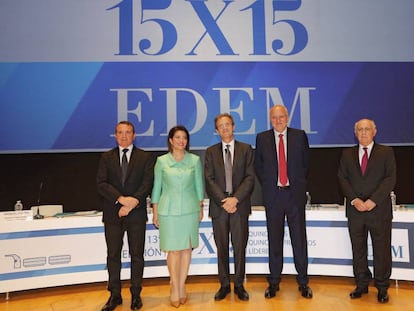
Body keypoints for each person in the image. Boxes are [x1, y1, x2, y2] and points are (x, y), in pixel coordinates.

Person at [254, 104, 313, 299]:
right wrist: (271, 185)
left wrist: (295, 183)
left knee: (299, 240)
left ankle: (303, 282)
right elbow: (259, 167)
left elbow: (306, 163)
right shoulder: (262, 138)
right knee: (274, 240)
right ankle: (274, 282)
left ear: (287, 117)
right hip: (274, 197)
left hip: (294, 196)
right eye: (274, 117)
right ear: (270, 119)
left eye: (281, 117)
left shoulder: (299, 135)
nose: (278, 120)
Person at [96, 121, 154, 311]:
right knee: (113, 255)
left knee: (137, 255)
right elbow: (101, 183)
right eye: (120, 132)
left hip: (136, 214)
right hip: (113, 214)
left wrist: (132, 203)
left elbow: (147, 183)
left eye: (128, 132)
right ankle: (115, 295)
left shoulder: (144, 157)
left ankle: (136, 295)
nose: (124, 136)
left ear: (134, 135)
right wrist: (120, 199)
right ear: (115, 135)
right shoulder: (106, 157)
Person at [338, 118, 396, 303]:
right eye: (360, 130)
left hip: (378, 210)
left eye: (367, 129)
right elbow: (342, 178)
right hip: (355, 211)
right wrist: (355, 200)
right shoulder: (347, 154)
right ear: (355, 133)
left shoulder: (386, 152)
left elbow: (390, 178)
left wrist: (373, 201)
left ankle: (382, 287)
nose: (363, 133)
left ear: (374, 131)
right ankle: (361, 284)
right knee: (359, 249)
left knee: (381, 250)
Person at [151, 125, 204, 308]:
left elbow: (199, 186)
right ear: (171, 140)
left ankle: (181, 286)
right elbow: (156, 188)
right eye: (178, 137)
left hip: (190, 210)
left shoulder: (195, 160)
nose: (181, 141)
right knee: (173, 250)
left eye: (184, 138)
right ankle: (174, 287)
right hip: (168, 211)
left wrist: (201, 206)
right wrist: (155, 211)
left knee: (187, 249)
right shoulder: (162, 161)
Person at [204, 113, 255, 301]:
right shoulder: (210, 152)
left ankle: (239, 285)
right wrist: (224, 200)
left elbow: (250, 178)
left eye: (227, 124)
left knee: (240, 246)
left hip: (239, 206)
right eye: (220, 126)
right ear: (216, 131)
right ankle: (224, 284)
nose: (224, 128)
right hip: (219, 207)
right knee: (222, 246)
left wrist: (235, 199)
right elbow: (209, 179)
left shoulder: (246, 149)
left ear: (233, 127)